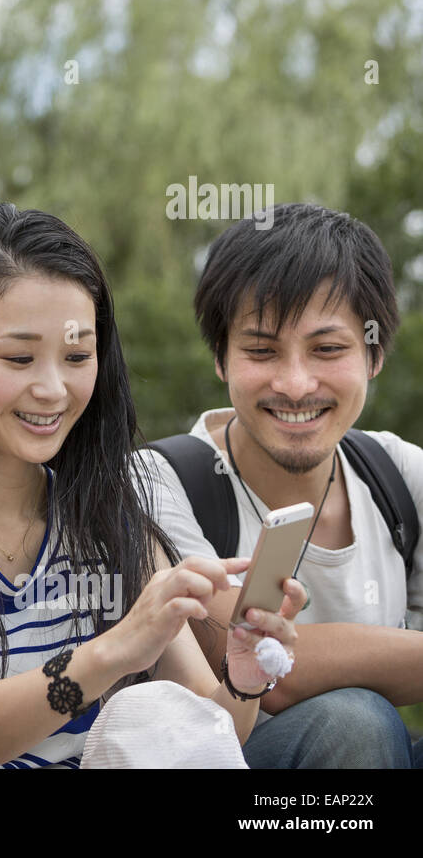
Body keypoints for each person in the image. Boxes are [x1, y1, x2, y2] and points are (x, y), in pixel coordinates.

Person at [0, 203, 305, 768]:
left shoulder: (111, 523)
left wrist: (244, 677)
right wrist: (109, 653)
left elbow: (207, 736)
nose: (53, 389)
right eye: (19, 357)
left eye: (78, 356)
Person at [137, 202, 423, 768]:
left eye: (328, 349)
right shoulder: (160, 481)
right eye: (262, 350)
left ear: (374, 354)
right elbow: (267, 664)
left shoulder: (397, 474)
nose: (295, 384)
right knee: (353, 724)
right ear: (221, 357)